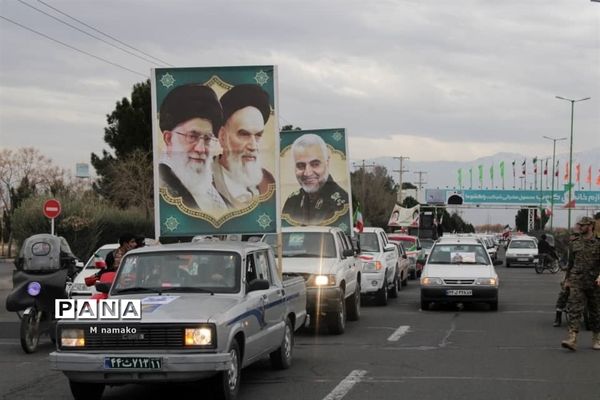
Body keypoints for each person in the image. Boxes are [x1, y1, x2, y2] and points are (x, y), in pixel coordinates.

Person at [158, 84, 228, 211]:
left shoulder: (212, 190)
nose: (201, 149)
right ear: (168, 139)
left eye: (207, 139)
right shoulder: (162, 187)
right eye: (192, 136)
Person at [212, 84, 275, 208]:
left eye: (258, 135)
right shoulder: (203, 181)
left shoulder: (267, 181)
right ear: (222, 136)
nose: (253, 146)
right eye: (244, 134)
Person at [281, 134, 349, 225]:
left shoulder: (341, 203)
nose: (307, 173)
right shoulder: (292, 200)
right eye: (301, 166)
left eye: (315, 164)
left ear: (327, 163)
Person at [560, 216, 600, 351]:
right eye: (580, 225)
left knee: (596, 311)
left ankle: (596, 339)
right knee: (574, 308)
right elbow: (570, 264)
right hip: (577, 280)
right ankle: (572, 338)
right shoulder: (575, 243)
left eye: (583, 225)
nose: (580, 227)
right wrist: (567, 279)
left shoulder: (598, 243)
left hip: (595, 282)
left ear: (590, 226)